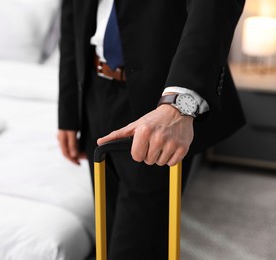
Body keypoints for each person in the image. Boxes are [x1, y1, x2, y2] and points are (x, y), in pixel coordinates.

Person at [57, 0, 246, 259]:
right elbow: (72, 12)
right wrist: (68, 111)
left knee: (137, 245)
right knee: (110, 230)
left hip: (160, 103)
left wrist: (178, 105)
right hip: (94, 93)